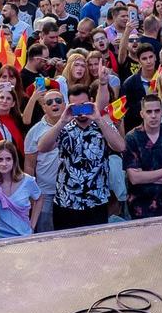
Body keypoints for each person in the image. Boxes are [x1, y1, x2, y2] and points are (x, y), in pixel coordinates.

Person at [43, 84, 124, 229]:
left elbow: (120, 147)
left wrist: (98, 119)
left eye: (84, 105)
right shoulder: (64, 128)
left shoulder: (102, 125)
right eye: (76, 107)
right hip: (66, 203)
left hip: (96, 202)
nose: (81, 112)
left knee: (95, 250)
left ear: (91, 101)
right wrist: (61, 121)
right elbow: (42, 147)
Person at [121, 97, 162, 219]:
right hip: (140, 206)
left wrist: (146, 177)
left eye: (157, 111)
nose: (153, 115)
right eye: (149, 111)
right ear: (142, 114)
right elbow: (135, 178)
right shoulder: (132, 138)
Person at [0, 139, 41, 239]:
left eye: (8, 159)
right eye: (0, 159)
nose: (4, 163)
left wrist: (32, 225)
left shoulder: (27, 181)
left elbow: (39, 199)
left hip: (23, 236)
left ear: (14, 160)